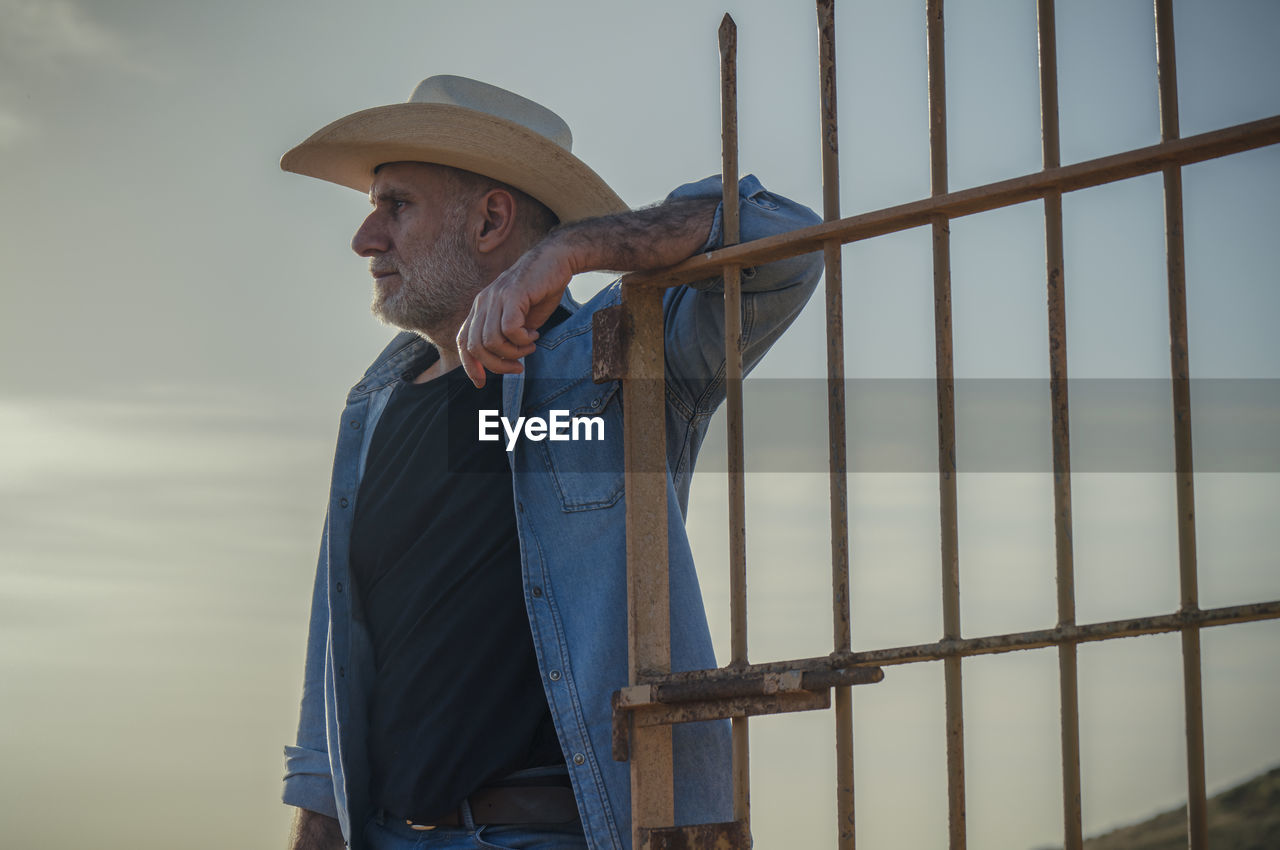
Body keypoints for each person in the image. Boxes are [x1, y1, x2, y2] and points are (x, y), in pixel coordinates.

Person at [278, 75, 823, 850]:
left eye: (395, 205)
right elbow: (339, 652)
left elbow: (785, 240)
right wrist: (317, 821)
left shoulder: (617, 358)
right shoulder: (374, 410)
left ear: (491, 219)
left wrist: (573, 249)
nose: (367, 239)